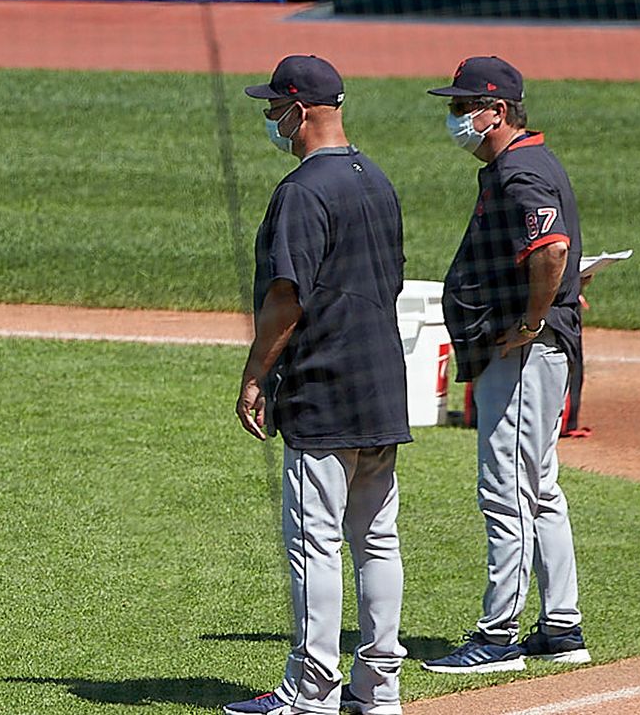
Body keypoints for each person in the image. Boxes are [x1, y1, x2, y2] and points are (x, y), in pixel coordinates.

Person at [226, 55, 409, 715]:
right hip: (383, 382)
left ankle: (311, 690)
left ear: (301, 112)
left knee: (315, 545)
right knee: (377, 540)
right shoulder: (377, 180)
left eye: (274, 108)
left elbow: (286, 296)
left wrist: (255, 373)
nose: (271, 119)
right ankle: (379, 687)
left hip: (324, 387)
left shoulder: (303, 192)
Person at [422, 56, 589, 674]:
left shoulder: (519, 171)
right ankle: (562, 626)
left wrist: (530, 321)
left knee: (508, 488)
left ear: (498, 111)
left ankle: (498, 636)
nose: (455, 117)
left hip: (524, 352)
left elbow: (551, 249)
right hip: (533, 348)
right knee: (538, 485)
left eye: (464, 107)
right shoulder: (525, 163)